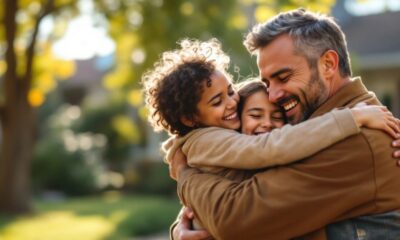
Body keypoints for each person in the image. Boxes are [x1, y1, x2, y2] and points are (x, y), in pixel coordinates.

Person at [170, 8, 400, 240]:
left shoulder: (357, 138)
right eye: (267, 82)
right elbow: (236, 183)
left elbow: (235, 218)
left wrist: (185, 174)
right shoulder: (315, 124)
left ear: (328, 64)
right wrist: (185, 224)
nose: (272, 96)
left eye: (283, 78)